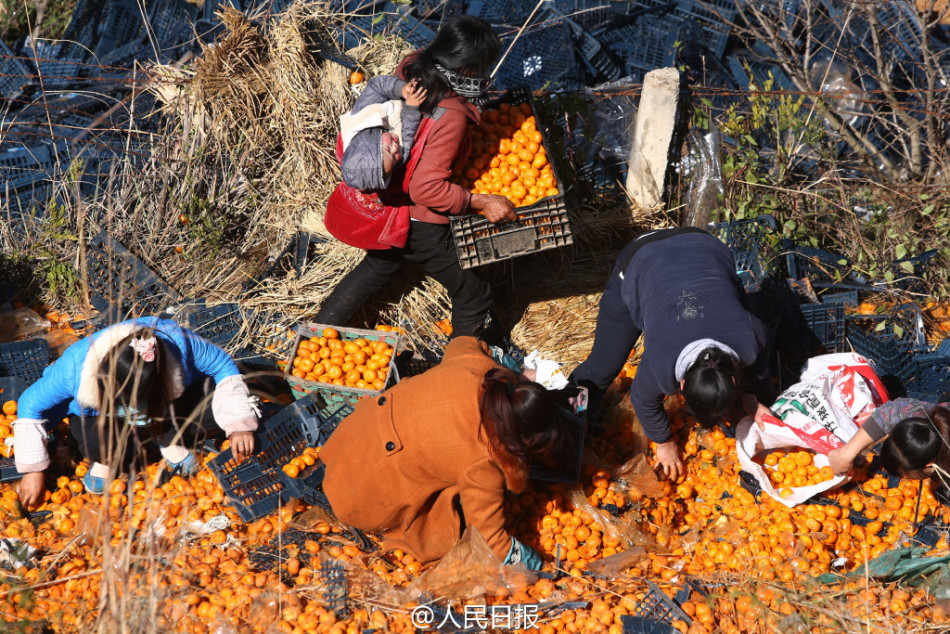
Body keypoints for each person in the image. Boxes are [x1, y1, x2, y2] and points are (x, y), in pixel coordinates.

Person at [316, 15, 517, 341]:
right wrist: (480, 201)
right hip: (417, 221)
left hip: (386, 203)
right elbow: (425, 188)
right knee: (473, 291)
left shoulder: (412, 67)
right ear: (467, 70)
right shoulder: (452, 115)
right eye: (482, 68)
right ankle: (460, 373)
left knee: (379, 265)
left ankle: (315, 335)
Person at [318, 336, 576, 567]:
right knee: (448, 534)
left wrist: (504, 364)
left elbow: (463, 342)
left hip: (349, 439)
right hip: (358, 497)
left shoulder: (478, 369)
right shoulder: (484, 461)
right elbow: (491, 540)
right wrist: (534, 562)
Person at [570, 227, 774, 481]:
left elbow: (762, 359)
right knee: (600, 371)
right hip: (645, 256)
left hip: (703, 247)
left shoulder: (751, 336)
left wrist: (751, 396)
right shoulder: (659, 362)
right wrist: (664, 441)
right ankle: (569, 416)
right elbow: (643, 400)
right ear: (681, 383)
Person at [13, 318, 260, 507]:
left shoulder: (179, 344)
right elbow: (30, 405)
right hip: (106, 418)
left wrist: (239, 425)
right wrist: (34, 470)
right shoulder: (75, 369)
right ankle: (111, 457)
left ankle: (165, 438)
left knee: (210, 412)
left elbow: (224, 367)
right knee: (95, 442)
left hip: (164, 409)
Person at [338, 75, 428, 192]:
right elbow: (408, 132)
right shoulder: (396, 157)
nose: (395, 149)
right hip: (408, 107)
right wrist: (411, 109)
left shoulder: (363, 113)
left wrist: (401, 89)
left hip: (397, 96)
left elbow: (376, 86)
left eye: (387, 149)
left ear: (371, 140)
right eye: (395, 158)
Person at [828, 398, 950, 479]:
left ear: (930, 466)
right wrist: (846, 454)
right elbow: (888, 414)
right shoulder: (929, 418)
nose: (905, 479)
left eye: (906, 476)